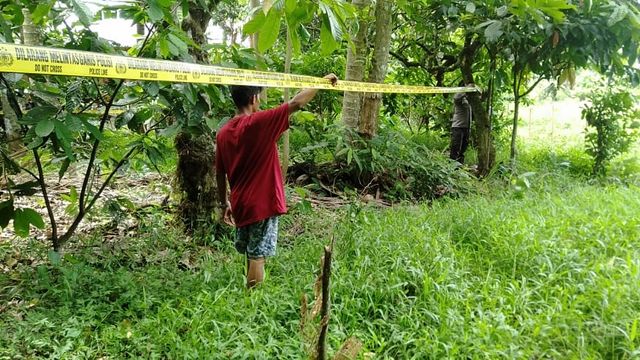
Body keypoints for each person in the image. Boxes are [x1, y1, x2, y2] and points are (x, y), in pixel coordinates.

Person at [216, 74, 339, 289]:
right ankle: (253, 301)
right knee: (258, 255)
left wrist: (223, 202)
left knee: (251, 250)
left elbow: (219, 173)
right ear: (254, 98)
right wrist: (322, 82)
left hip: (240, 203)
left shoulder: (223, 132)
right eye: (260, 97)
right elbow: (297, 103)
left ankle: (249, 292)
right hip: (262, 202)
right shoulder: (259, 122)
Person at [449, 85, 473, 164]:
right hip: (458, 127)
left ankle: (459, 166)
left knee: (463, 149)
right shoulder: (459, 98)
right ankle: (452, 167)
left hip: (466, 128)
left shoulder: (469, 100)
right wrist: (467, 88)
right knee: (456, 148)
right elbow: (456, 97)